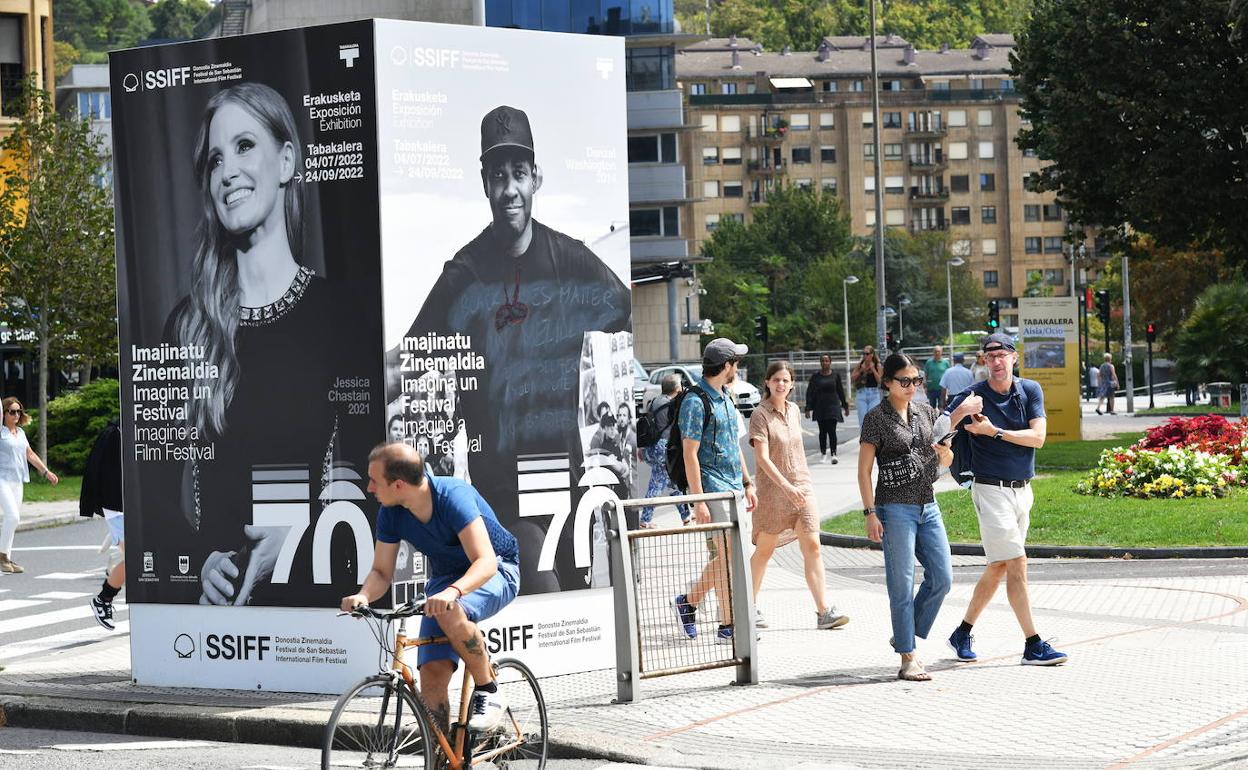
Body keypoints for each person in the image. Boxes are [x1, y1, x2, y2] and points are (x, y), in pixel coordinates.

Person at [389, 104, 630, 592]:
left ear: (536, 177)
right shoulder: (464, 274)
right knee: (540, 587)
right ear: (484, 182)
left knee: (575, 600)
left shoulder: (572, 260)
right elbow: (410, 357)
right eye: (498, 176)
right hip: (504, 489)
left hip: (568, 480)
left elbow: (619, 310)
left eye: (518, 174)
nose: (509, 190)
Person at [157, 82, 375, 607]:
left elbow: (370, 480)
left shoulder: (341, 315)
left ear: (286, 161)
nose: (227, 170)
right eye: (214, 159)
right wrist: (197, 560)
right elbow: (154, 494)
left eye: (245, 146)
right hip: (219, 624)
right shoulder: (187, 326)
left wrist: (299, 539)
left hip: (315, 606)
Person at [341, 442, 521, 732]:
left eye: (374, 481)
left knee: (450, 610)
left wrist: (453, 593)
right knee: (432, 680)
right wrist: (363, 595)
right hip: (446, 580)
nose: (369, 488)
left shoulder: (453, 497)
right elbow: (381, 572)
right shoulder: (391, 512)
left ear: (398, 484)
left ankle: (489, 690)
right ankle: (441, 758)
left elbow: (485, 561)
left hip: (497, 569)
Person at [943, 333, 1068, 666]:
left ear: (1014, 358)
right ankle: (1033, 643)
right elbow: (938, 428)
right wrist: (960, 416)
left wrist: (993, 432)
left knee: (998, 566)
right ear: (983, 362)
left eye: (1002, 355)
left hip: (1023, 491)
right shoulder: (972, 396)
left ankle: (962, 631)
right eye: (990, 356)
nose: (996, 361)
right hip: (989, 489)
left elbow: (1038, 438)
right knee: (1017, 563)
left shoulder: (1029, 391)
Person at [858, 354, 953, 681]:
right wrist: (870, 512)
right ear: (887, 383)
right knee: (900, 585)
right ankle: (907, 656)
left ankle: (904, 633)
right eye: (905, 381)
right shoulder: (876, 418)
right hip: (894, 508)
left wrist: (946, 456)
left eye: (916, 381)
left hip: (928, 504)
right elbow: (864, 470)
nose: (912, 386)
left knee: (942, 578)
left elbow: (944, 455)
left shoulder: (926, 412)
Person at [672, 338, 758, 643]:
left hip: (733, 486)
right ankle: (728, 624)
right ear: (725, 366)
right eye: (736, 362)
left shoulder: (726, 397)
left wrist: (747, 482)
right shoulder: (696, 401)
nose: (738, 367)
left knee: (730, 556)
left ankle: (689, 602)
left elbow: (732, 446)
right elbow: (689, 453)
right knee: (728, 555)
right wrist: (699, 502)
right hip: (712, 489)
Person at [751, 361, 849, 631]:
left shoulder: (793, 410)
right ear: (767, 383)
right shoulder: (760, 414)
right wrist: (786, 488)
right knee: (765, 551)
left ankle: (823, 611)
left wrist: (800, 485)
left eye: (785, 380)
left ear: (792, 384)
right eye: (776, 380)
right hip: (774, 492)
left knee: (813, 547)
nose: (781, 384)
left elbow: (797, 451)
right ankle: (748, 605)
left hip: (802, 488)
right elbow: (762, 458)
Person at [0, 397, 59, 573]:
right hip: (2, 479)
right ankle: (2, 556)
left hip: (17, 481)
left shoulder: (20, 433)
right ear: (3, 413)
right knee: (13, 517)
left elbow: (30, 454)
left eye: (19, 411)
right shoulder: (0, 432)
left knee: (12, 519)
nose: (16, 415)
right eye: (12, 411)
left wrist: (46, 472)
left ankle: (6, 559)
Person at [81, 419, 124, 629]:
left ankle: (105, 599)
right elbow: (99, 472)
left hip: (132, 507)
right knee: (137, 559)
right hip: (117, 508)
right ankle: (103, 599)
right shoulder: (114, 433)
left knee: (140, 560)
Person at [637, 374, 690, 528]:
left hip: (652, 448)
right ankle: (645, 520)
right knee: (656, 485)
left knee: (673, 484)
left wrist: (642, 449)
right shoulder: (672, 404)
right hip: (664, 450)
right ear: (677, 388)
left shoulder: (654, 401)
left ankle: (686, 516)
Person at [805, 354, 849, 464]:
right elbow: (810, 392)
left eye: (826, 360)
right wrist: (808, 408)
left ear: (830, 362)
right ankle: (823, 454)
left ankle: (834, 454)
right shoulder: (815, 377)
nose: (825, 363)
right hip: (820, 406)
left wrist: (845, 406)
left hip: (833, 406)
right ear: (820, 363)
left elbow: (840, 391)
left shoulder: (835, 375)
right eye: (823, 361)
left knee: (832, 430)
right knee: (822, 432)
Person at [851, 346, 884, 431]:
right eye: (863, 353)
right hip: (861, 394)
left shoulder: (877, 365)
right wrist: (861, 370)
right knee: (863, 421)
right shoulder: (860, 364)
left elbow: (880, 381)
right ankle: (864, 443)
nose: (865, 356)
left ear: (872, 355)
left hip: (874, 394)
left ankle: (874, 442)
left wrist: (873, 369)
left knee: (873, 420)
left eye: (867, 354)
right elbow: (853, 378)